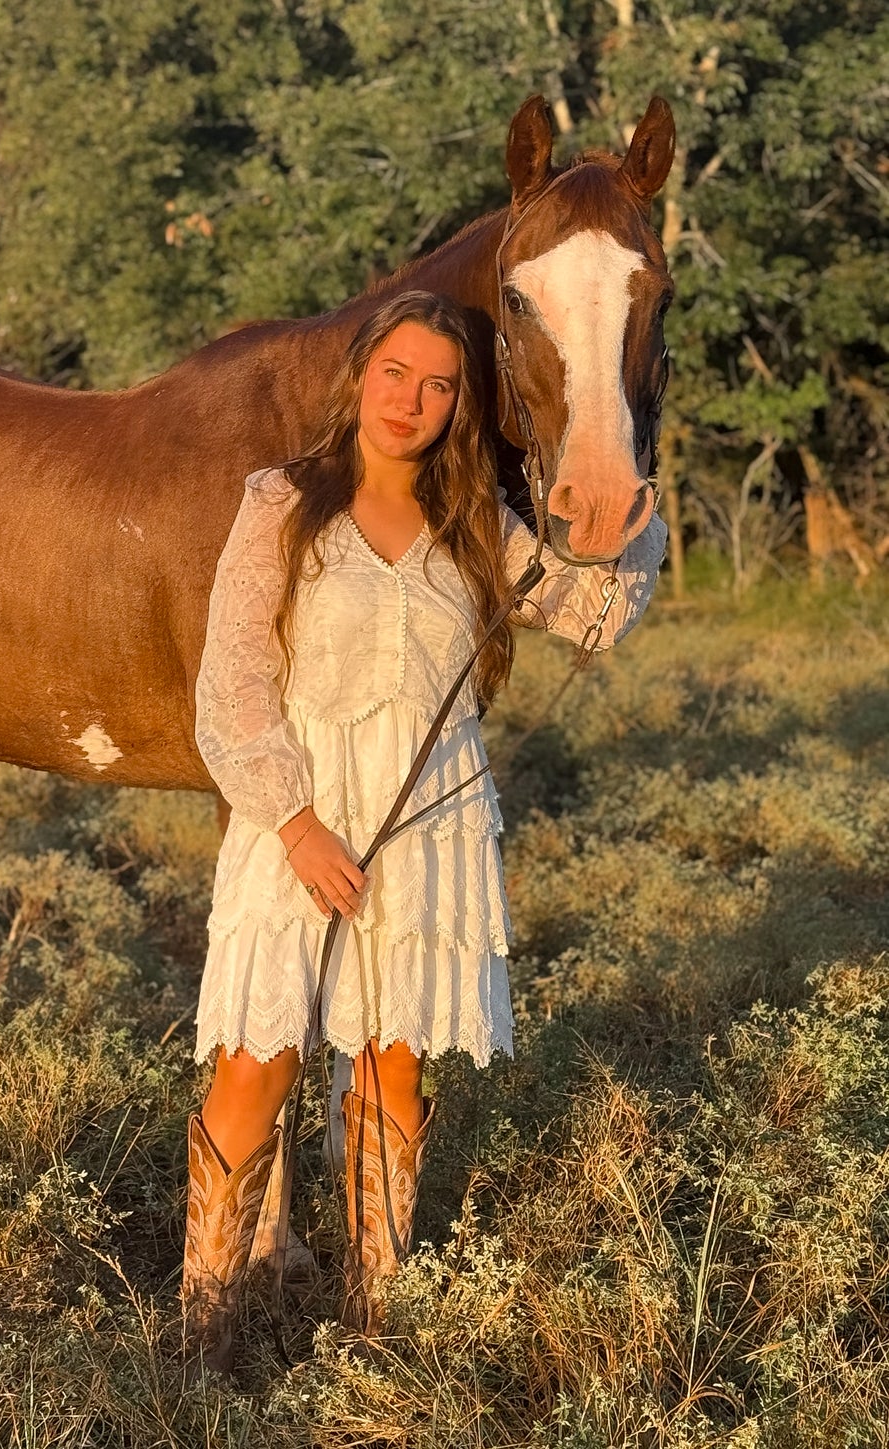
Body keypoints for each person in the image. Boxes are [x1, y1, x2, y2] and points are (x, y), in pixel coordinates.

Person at [181, 289, 667, 1374]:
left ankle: (376, 1322)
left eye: (437, 386)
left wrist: (629, 481)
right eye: (394, 374)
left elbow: (596, 612)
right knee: (256, 1062)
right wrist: (295, 824)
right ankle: (204, 1338)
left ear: (457, 406)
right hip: (298, 816)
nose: (409, 400)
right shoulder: (281, 503)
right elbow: (229, 684)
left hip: (429, 823)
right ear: (360, 376)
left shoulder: (475, 522)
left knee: (391, 1068)